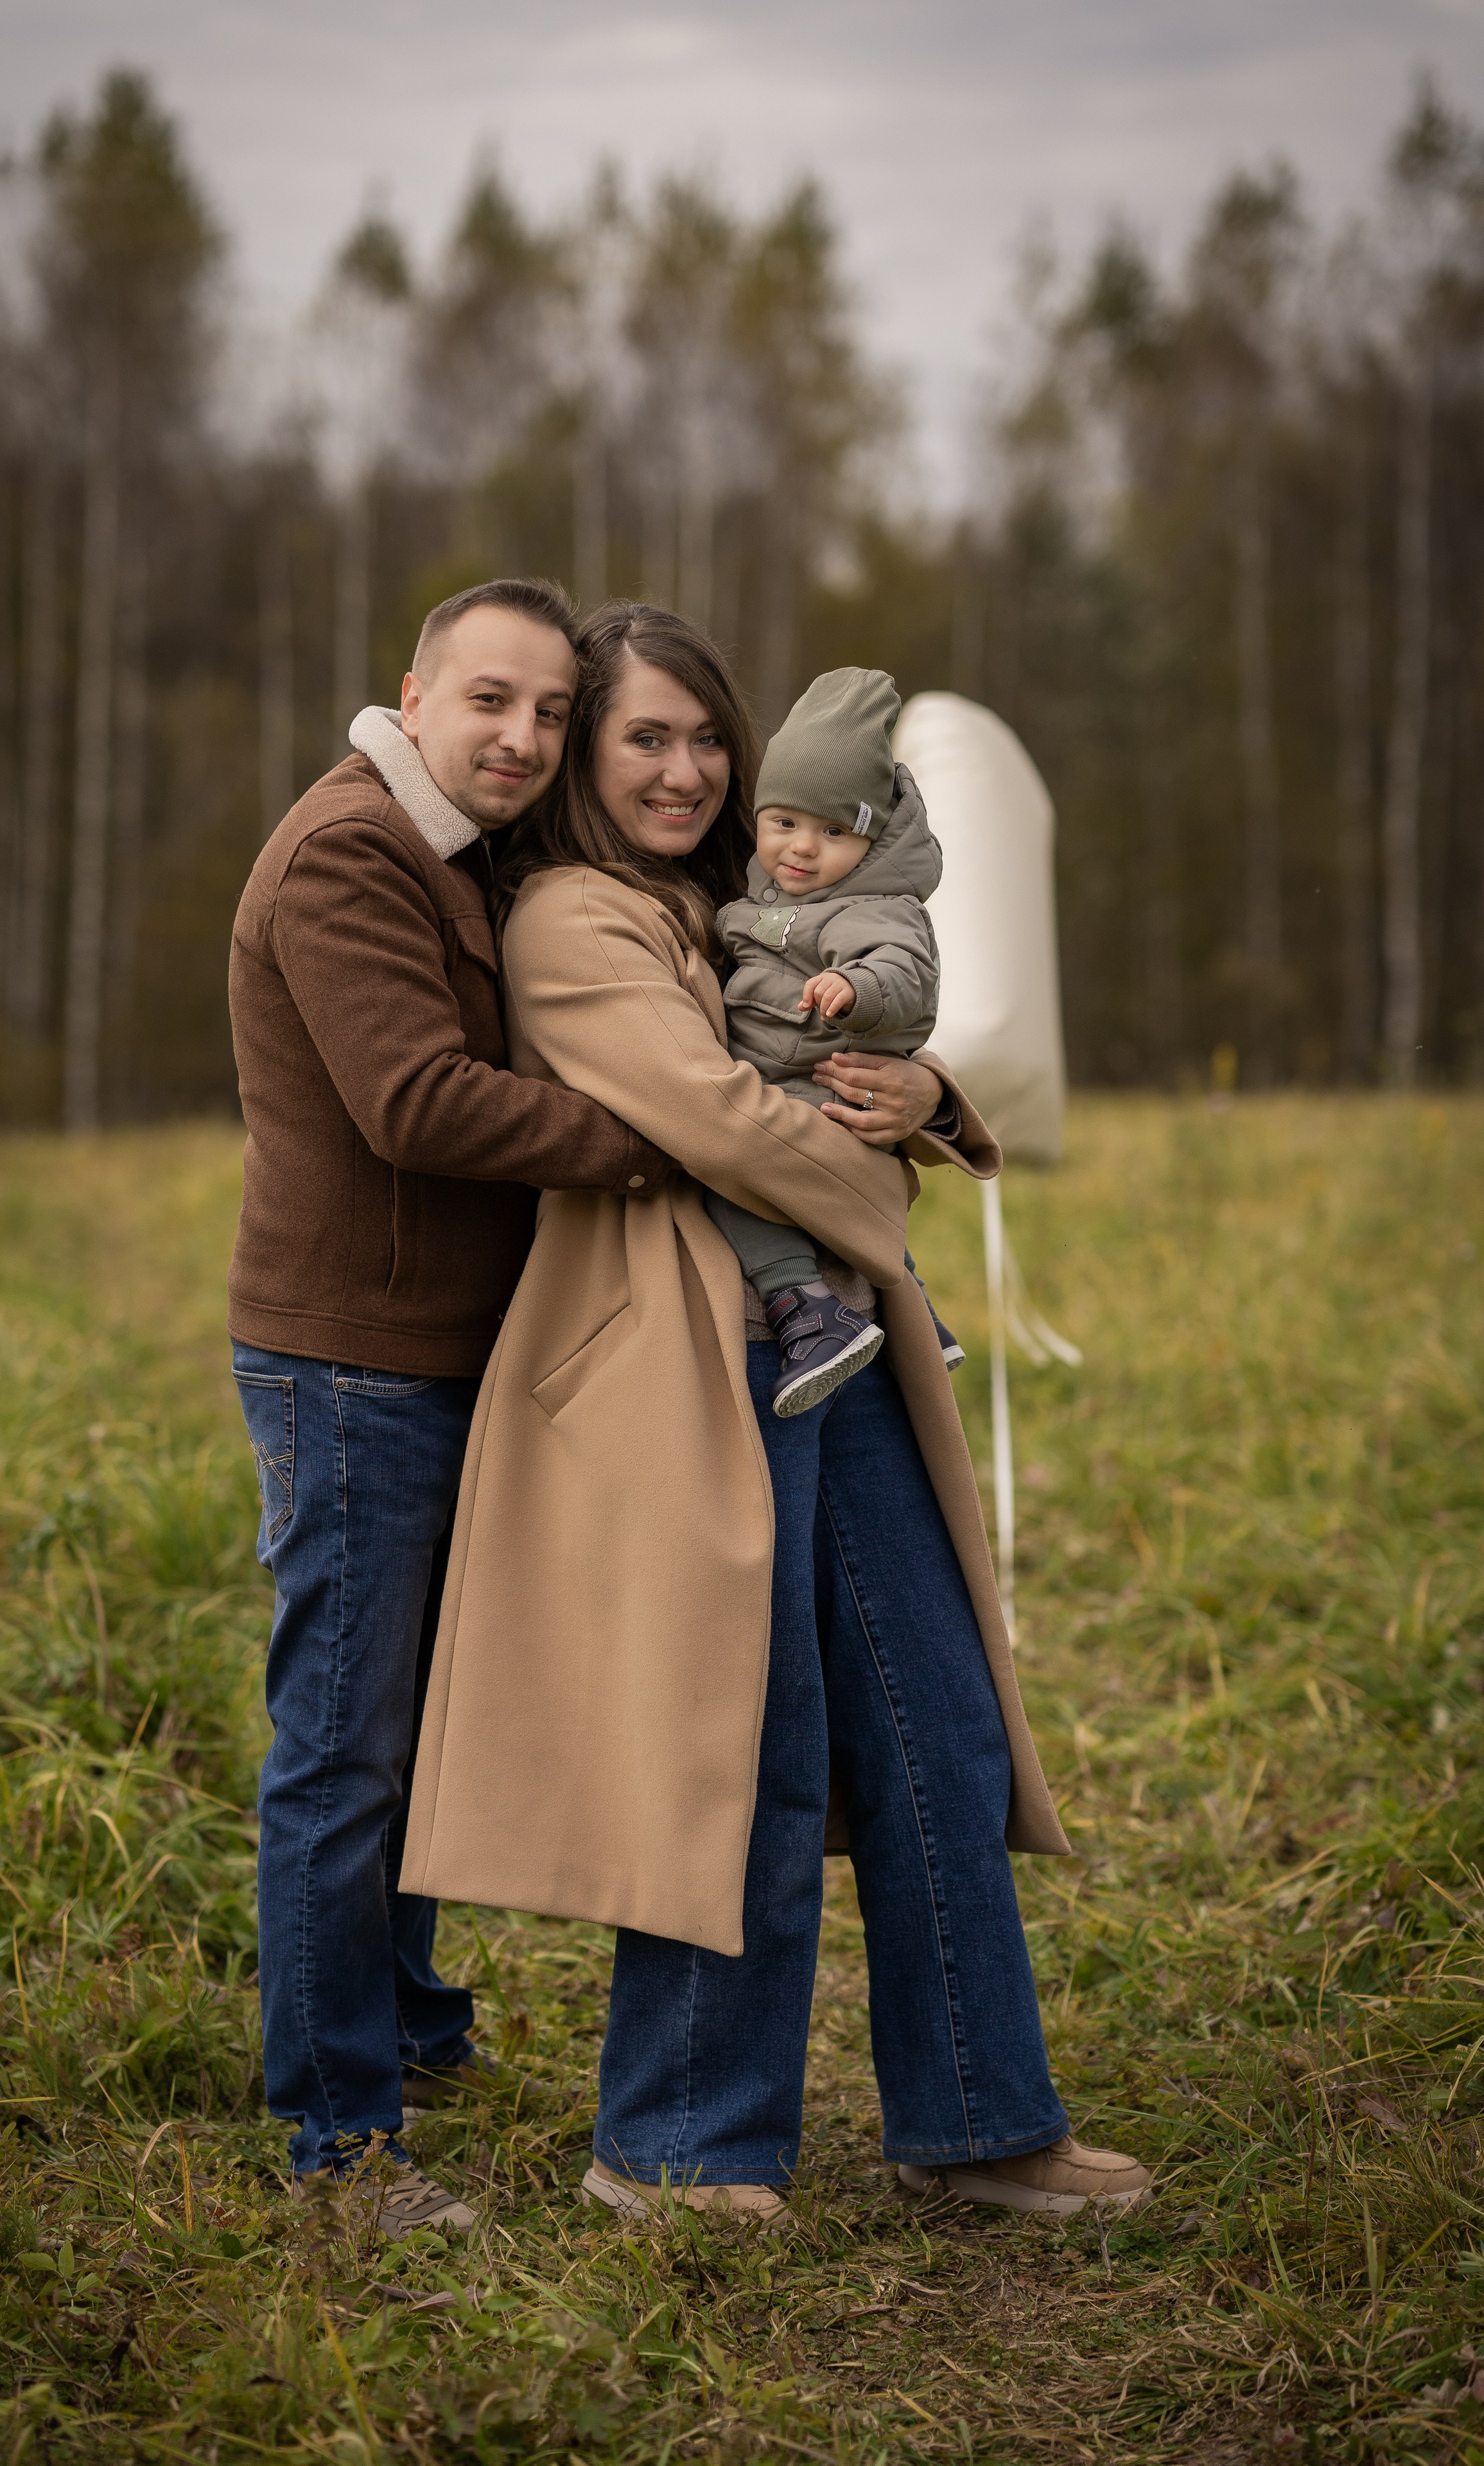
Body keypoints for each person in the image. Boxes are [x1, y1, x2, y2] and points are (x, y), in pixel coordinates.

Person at [401, 600, 1151, 2225]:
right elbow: (720, 1119)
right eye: (641, 739)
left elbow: (854, 1039)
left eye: (703, 737)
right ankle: (673, 2145)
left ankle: (977, 2117)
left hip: (834, 1346)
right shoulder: (570, 922)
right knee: (735, 1743)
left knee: (933, 1717)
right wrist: (889, 1164)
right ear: (587, 761)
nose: (683, 769)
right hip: (690, 1365)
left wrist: (931, 1090)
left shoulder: (748, 898)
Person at [225, 577, 669, 2212]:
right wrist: (649, 1135)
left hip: (430, 1351)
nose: (524, 738)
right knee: (343, 1744)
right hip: (349, 1359)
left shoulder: (465, 853)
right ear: (410, 691)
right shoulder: (350, 848)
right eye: (492, 700)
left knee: (404, 1728)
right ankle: (337, 2135)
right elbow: (414, 1102)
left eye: (551, 713)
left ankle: (404, 2021)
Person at [708, 665, 941, 1416]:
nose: (801, 849)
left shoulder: (871, 907)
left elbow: (906, 974)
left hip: (815, 1081)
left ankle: (806, 1308)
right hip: (783, 1076)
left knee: (732, 1184)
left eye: (832, 831)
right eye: (783, 824)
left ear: (869, 840)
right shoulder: (765, 896)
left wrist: (857, 991)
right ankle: (915, 1316)